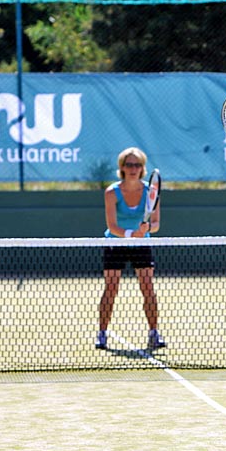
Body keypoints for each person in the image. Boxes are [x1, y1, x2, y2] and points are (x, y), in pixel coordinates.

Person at [95, 147, 166, 351]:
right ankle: (102, 334)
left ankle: (153, 333)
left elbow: (156, 223)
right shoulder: (111, 193)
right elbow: (112, 226)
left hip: (141, 244)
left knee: (148, 288)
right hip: (115, 244)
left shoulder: (150, 192)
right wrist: (129, 234)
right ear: (122, 167)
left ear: (143, 168)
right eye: (129, 164)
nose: (133, 168)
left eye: (137, 165)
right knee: (111, 288)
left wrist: (146, 229)